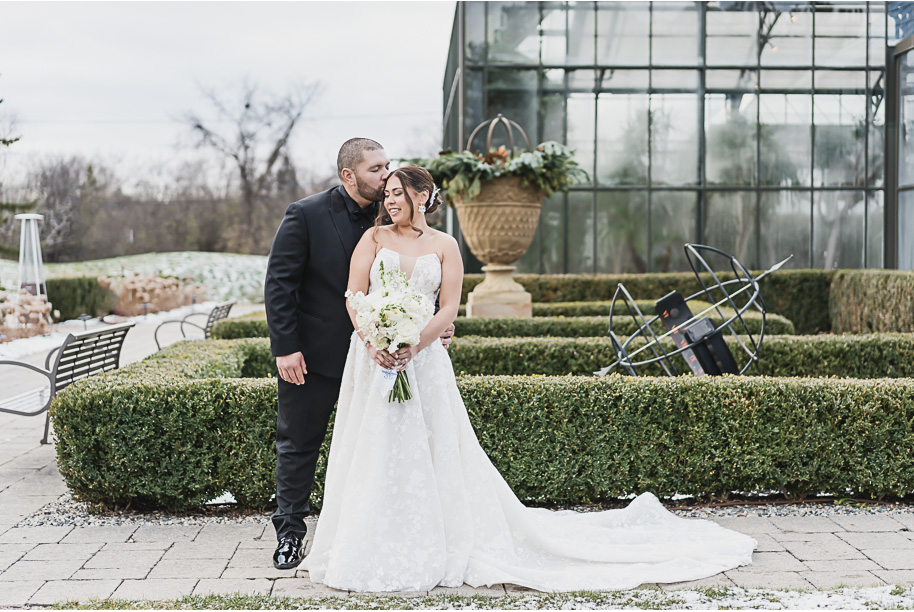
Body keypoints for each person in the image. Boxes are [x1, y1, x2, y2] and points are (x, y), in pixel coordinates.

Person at [302, 165, 757, 592]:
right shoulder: (373, 237)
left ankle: (432, 540)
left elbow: (448, 309)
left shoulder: (445, 245)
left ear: (423, 196)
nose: (391, 200)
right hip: (373, 358)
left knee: (431, 445)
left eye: (399, 193)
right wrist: (375, 340)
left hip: (423, 361)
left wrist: (414, 344)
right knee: (373, 445)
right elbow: (354, 295)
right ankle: (368, 541)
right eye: (388, 194)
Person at [264, 140, 454, 570]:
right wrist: (286, 348)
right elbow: (280, 285)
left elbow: (424, 283)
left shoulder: (395, 212)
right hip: (315, 355)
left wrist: (428, 326)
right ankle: (290, 533)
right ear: (348, 175)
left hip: (387, 359)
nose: (387, 177)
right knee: (299, 442)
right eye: (376, 169)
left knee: (379, 448)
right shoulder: (306, 214)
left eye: (388, 166)